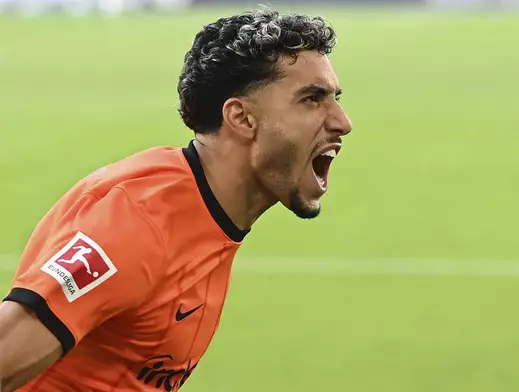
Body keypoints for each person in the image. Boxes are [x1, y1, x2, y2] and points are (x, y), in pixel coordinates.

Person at [0, 7, 352, 391]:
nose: (342, 121)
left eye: (335, 97)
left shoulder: (212, 214)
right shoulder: (137, 222)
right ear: (242, 118)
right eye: (312, 99)